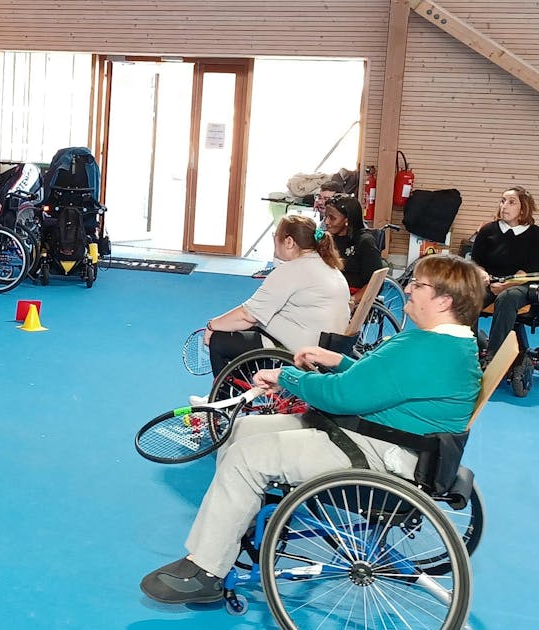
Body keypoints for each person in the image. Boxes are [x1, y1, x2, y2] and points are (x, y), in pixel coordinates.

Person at [141, 253, 485, 605]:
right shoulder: (451, 345)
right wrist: (338, 361)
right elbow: (385, 383)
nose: (409, 290)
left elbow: (341, 397)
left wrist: (286, 376)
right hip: (387, 439)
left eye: (419, 285)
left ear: (444, 300)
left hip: (376, 451)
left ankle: (207, 568)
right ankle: (230, 527)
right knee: (244, 430)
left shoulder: (425, 347)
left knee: (247, 456)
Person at [201, 214, 350, 379]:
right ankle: (237, 390)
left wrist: (212, 325)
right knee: (249, 330)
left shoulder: (292, 270)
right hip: (331, 346)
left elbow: (247, 315)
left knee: (220, 340)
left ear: (289, 242)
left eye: (276, 237)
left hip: (303, 349)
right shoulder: (328, 265)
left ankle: (223, 399)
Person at [469, 185, 539, 360]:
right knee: (469, 296)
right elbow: (476, 261)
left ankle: (494, 357)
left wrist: (507, 284)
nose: (504, 206)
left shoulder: (535, 235)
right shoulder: (488, 230)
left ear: (523, 209)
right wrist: (482, 274)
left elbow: (530, 269)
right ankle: (468, 350)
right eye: (502, 201)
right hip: (490, 282)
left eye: (511, 202)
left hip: (521, 284)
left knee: (506, 298)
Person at [322, 193, 385, 305]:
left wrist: (353, 300)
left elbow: (375, 282)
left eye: (332, 218)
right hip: (328, 291)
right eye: (325, 216)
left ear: (347, 220)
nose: (327, 222)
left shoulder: (365, 242)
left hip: (350, 295)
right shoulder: (328, 238)